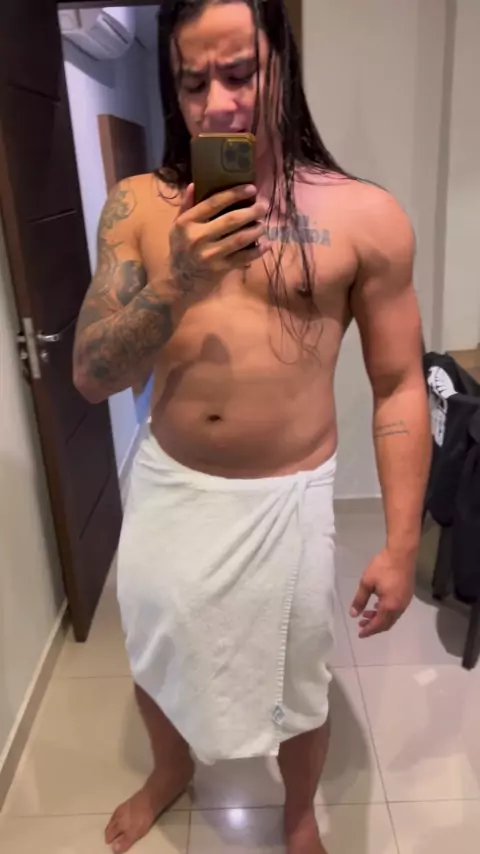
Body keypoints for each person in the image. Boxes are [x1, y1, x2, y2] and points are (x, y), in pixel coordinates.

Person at [73, 1, 431, 852]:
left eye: (240, 74)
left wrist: (400, 542)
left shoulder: (365, 217)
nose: (218, 105)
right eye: (193, 83)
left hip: (288, 500)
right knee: (158, 650)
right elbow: (90, 377)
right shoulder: (138, 208)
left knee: (299, 677)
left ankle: (297, 812)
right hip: (170, 487)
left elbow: (397, 384)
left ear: (283, 66)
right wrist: (177, 281)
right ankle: (171, 770)